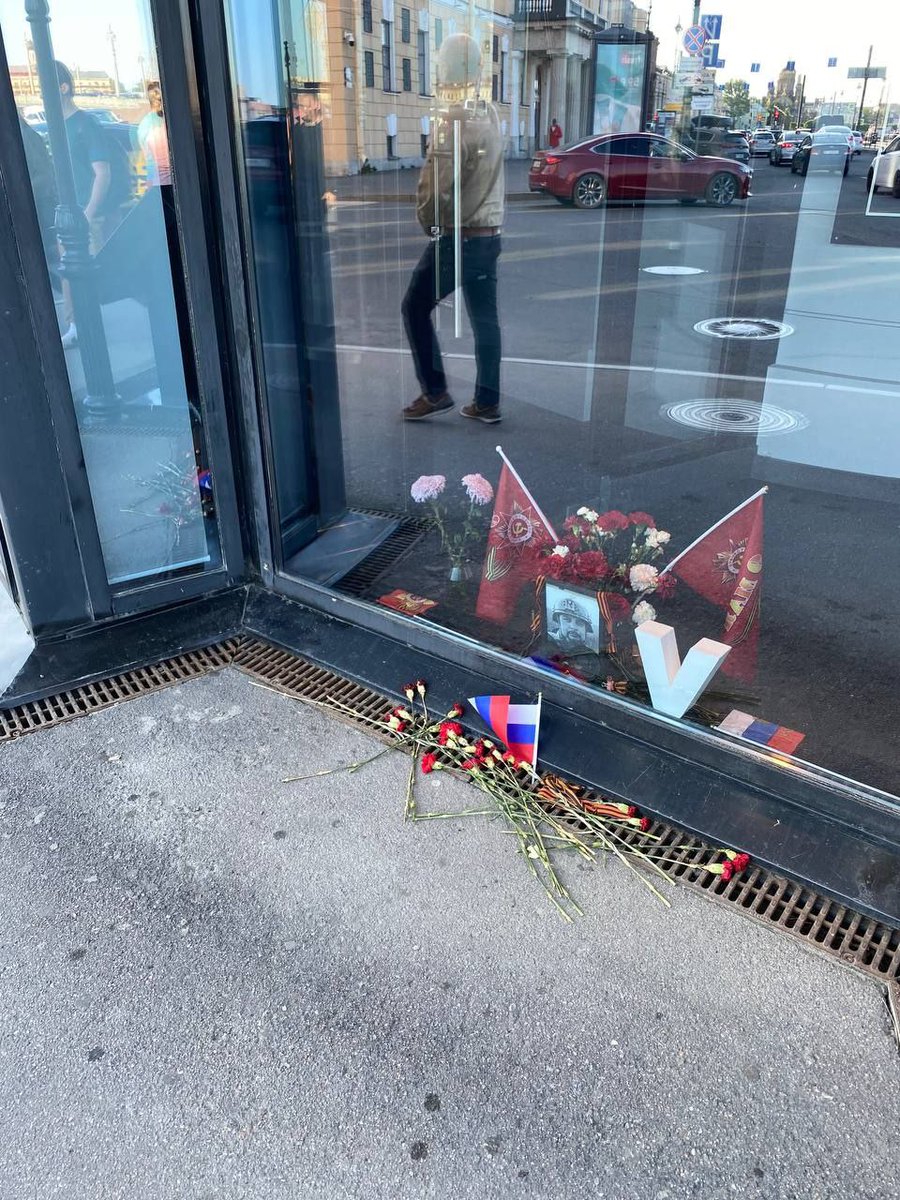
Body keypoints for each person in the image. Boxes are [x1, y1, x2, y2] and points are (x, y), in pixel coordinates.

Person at [401, 33, 504, 424]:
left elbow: (433, 193)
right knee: (485, 321)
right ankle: (488, 402)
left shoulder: (453, 122)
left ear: (446, 70)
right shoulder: (490, 114)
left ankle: (435, 390)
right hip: (489, 236)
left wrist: (430, 226)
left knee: (413, 308)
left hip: (457, 239)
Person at [55, 60, 129, 348]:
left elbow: (103, 173)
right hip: (72, 213)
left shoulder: (85, 125)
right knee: (71, 271)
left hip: (86, 214)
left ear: (63, 87)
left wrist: (88, 214)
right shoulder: (60, 126)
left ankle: (81, 325)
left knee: (83, 272)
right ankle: (78, 324)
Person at [137, 80, 171, 187]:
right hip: (179, 183)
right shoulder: (172, 122)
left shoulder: (143, 126)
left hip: (159, 184)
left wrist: (150, 184)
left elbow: (149, 160)